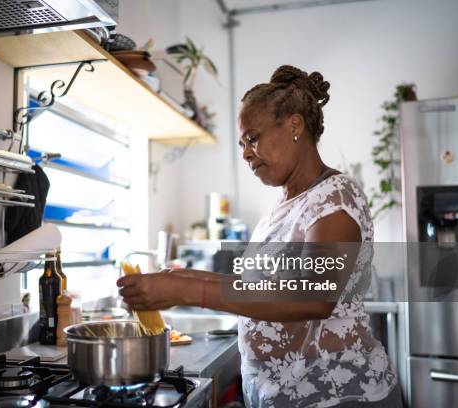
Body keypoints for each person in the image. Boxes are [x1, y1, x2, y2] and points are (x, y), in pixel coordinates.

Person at [117, 65, 401, 407]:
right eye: (242, 144)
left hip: (337, 395)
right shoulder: (283, 206)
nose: (246, 152)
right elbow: (260, 285)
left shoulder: (336, 195)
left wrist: (190, 289)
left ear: (295, 126)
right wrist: (179, 278)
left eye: (252, 138)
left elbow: (315, 296)